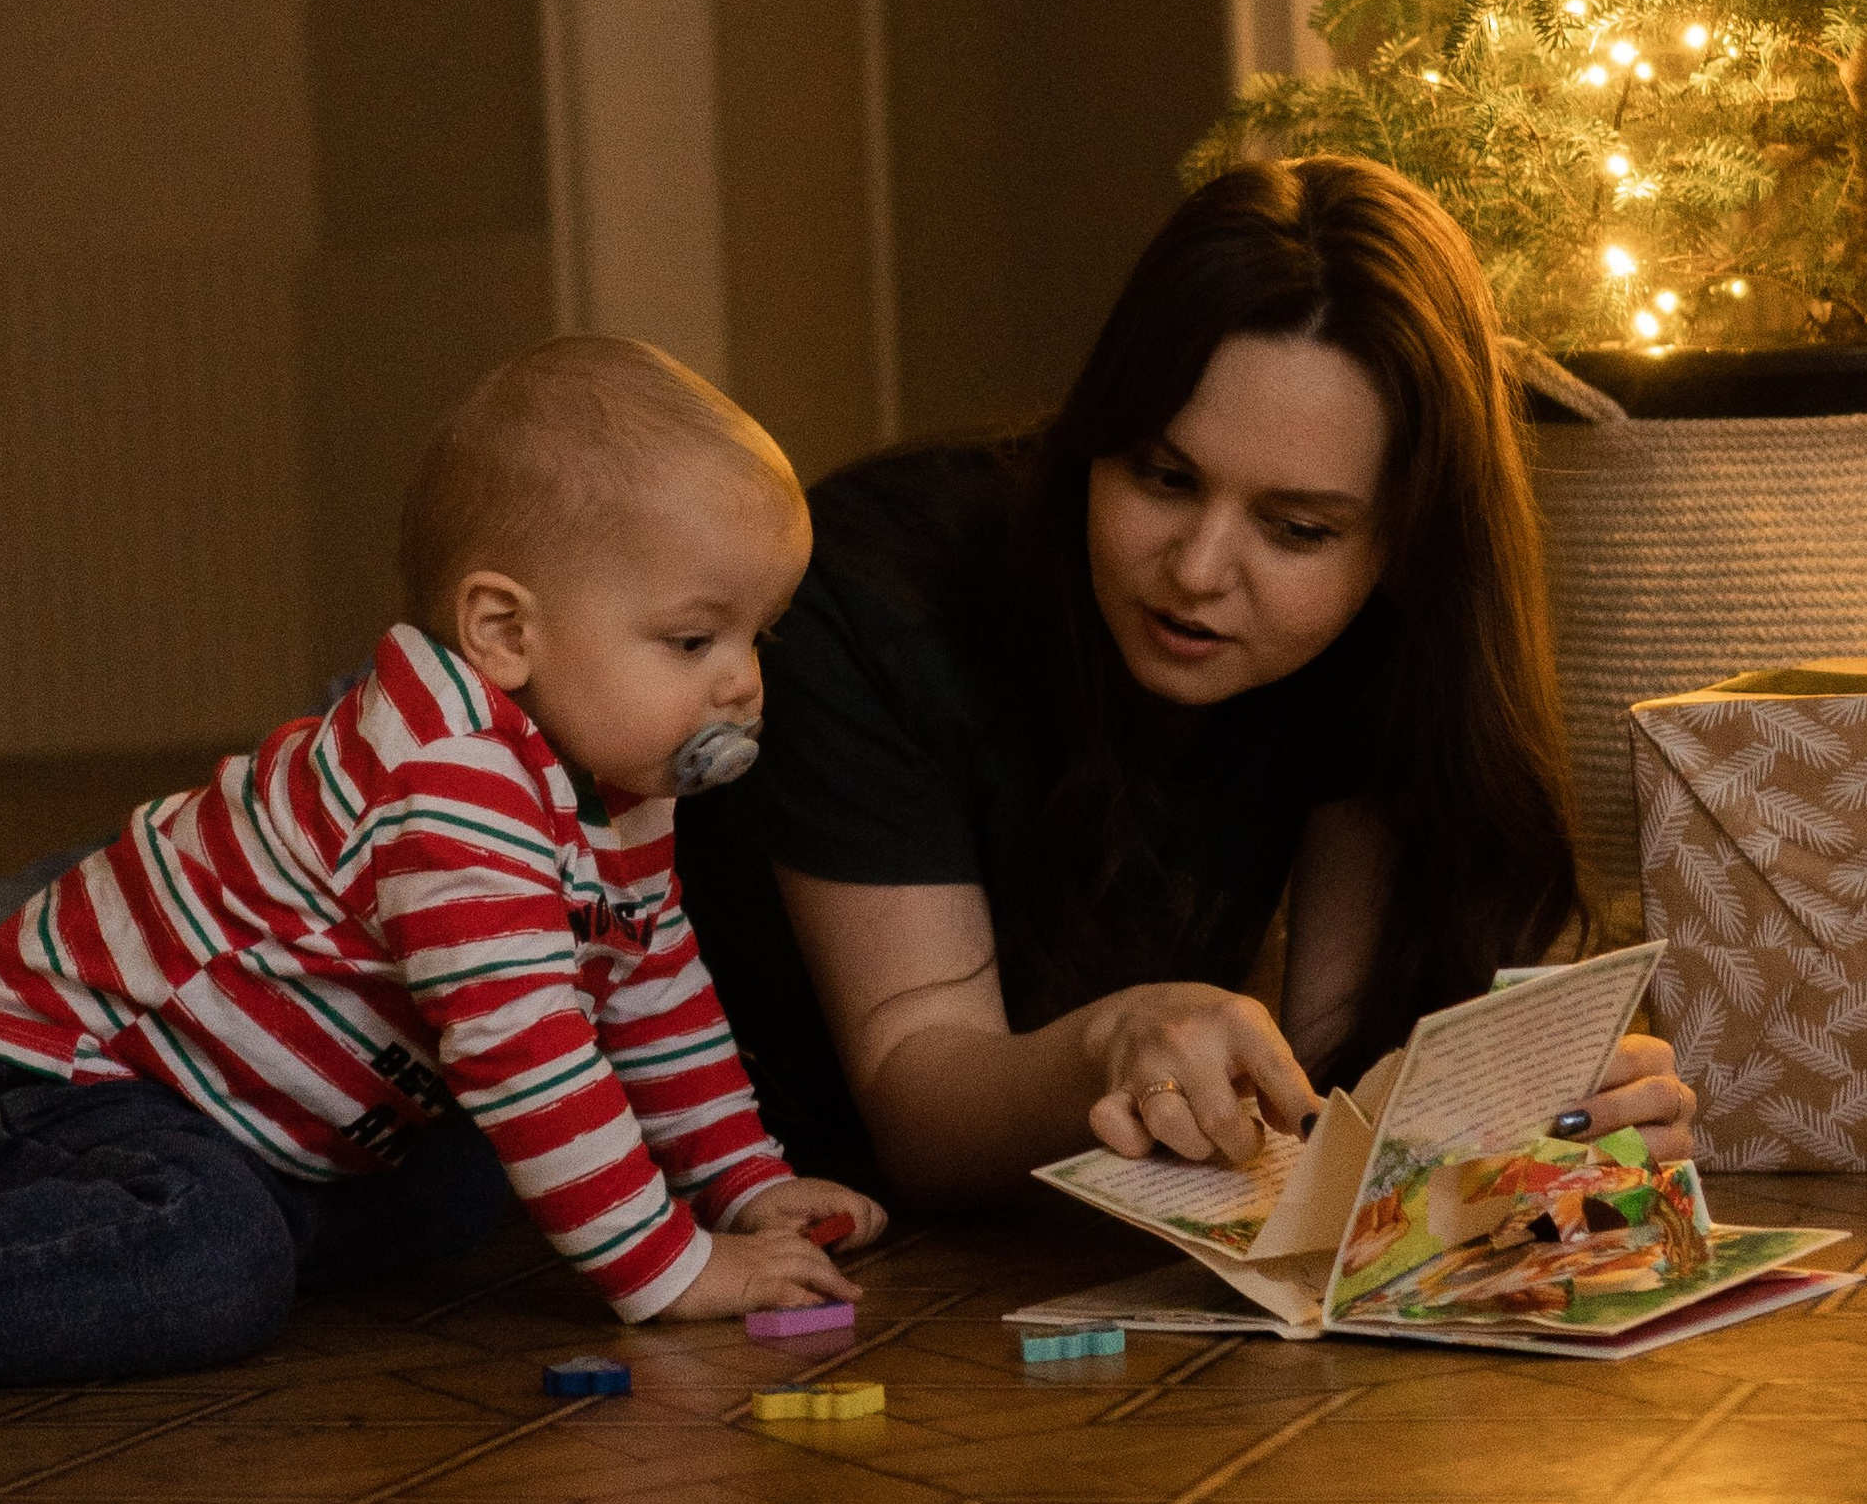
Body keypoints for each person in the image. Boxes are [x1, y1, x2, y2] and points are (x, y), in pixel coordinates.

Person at [678, 157, 1697, 1203]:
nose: (1199, 571)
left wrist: (1519, 1106)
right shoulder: (869, 595)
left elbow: (1330, 1078)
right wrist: (1114, 1038)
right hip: (763, 1216)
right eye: (1164, 478)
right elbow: (918, 1099)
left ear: (1403, 548)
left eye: (1295, 529)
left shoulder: (1385, 639)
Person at [0, 338, 882, 1387]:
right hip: (64, 1075)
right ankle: (185, 1229)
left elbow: (653, 995)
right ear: (504, 631)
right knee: (211, 1262)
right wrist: (670, 1269)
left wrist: (746, 1185)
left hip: (254, 1117)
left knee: (462, 1186)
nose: (743, 684)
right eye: (692, 642)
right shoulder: (448, 782)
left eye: (760, 637)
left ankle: (243, 1214)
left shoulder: (616, 780)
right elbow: (523, 1048)